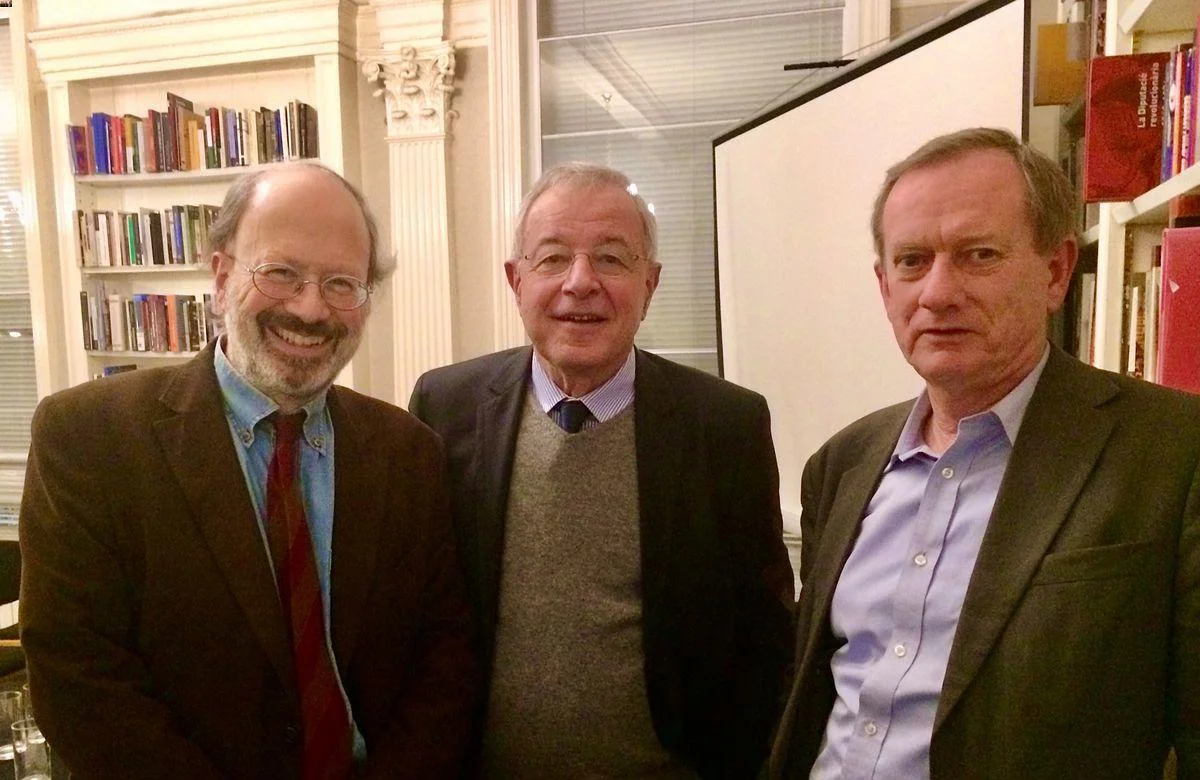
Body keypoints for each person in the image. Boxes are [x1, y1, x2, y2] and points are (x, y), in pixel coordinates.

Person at [19, 162, 479, 779]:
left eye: (342, 283)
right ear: (221, 275)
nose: (312, 309)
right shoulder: (89, 439)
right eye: (282, 273)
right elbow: (79, 676)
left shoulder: (408, 451)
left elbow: (443, 659)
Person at [767, 127, 1200, 779]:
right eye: (912, 261)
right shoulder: (841, 463)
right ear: (885, 288)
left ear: (1055, 271)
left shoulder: (1173, 452)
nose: (937, 293)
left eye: (977, 255)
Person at [408, 162, 795, 778]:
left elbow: (764, 638)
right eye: (553, 258)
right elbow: (421, 616)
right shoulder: (445, 406)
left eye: (612, 259)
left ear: (650, 283)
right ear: (516, 279)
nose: (580, 283)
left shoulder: (724, 426)